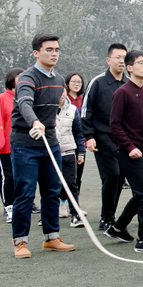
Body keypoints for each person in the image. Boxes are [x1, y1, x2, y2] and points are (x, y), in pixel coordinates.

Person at [9, 33, 75, 259]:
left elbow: (55, 109)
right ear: (36, 53)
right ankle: (20, 242)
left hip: (50, 143)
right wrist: (34, 122)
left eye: (57, 49)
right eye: (49, 49)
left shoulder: (58, 80)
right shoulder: (27, 78)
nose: (54, 53)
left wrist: (46, 124)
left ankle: (51, 237)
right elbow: (24, 103)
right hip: (25, 143)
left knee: (52, 191)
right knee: (25, 193)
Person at [104, 50, 143, 253]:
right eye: (140, 62)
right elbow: (115, 124)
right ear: (129, 68)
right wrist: (130, 148)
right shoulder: (122, 92)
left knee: (141, 194)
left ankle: (118, 228)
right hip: (129, 153)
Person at [82, 43, 128, 233]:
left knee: (120, 178)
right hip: (102, 137)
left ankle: (110, 216)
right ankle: (106, 217)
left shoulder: (128, 84)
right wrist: (89, 136)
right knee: (112, 176)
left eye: (124, 57)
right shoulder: (98, 82)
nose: (121, 61)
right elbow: (86, 111)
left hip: (124, 140)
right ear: (108, 60)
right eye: (117, 57)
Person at [0, 67, 23, 223]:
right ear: (11, 79)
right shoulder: (2, 98)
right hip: (6, 146)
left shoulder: (26, 97)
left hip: (23, 144)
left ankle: (22, 205)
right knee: (8, 176)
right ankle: (9, 207)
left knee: (22, 177)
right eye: (18, 77)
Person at [56, 91, 86, 226]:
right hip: (50, 154)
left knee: (71, 183)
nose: (60, 94)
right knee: (49, 186)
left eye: (62, 91)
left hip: (68, 152)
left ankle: (75, 215)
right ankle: (48, 215)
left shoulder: (73, 110)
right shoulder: (45, 109)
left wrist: (81, 152)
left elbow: (78, 133)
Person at [64, 73, 87, 207]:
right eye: (73, 81)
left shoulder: (84, 101)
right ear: (68, 83)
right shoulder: (63, 99)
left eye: (79, 82)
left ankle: (74, 205)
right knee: (65, 177)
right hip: (65, 144)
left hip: (80, 143)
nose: (76, 84)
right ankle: (61, 203)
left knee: (77, 176)